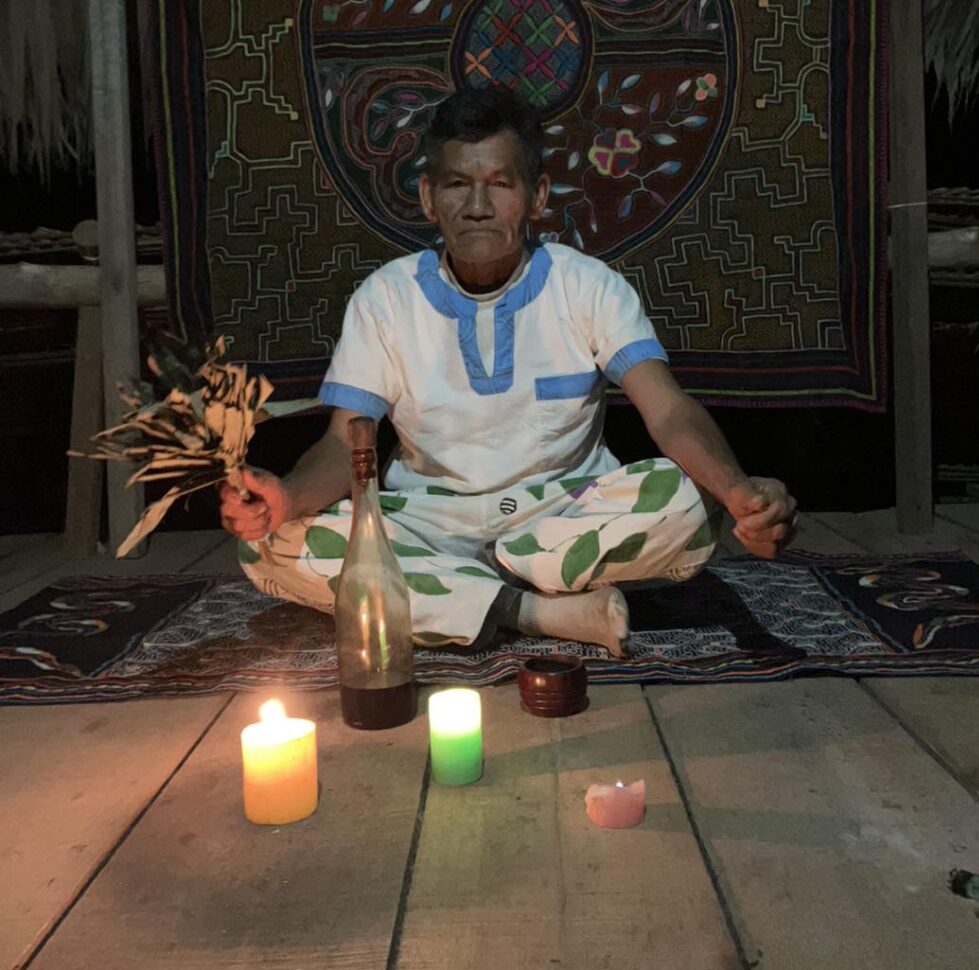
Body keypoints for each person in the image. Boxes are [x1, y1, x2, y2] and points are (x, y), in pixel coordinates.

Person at [220, 85, 797, 657]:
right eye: (456, 184)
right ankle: (537, 610)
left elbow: (668, 411)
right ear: (428, 197)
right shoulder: (386, 299)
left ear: (537, 195)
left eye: (499, 184)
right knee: (272, 545)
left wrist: (737, 490)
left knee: (692, 492)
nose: (477, 206)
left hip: (563, 517)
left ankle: (464, 591)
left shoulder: (587, 285)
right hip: (428, 520)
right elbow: (346, 443)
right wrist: (286, 496)